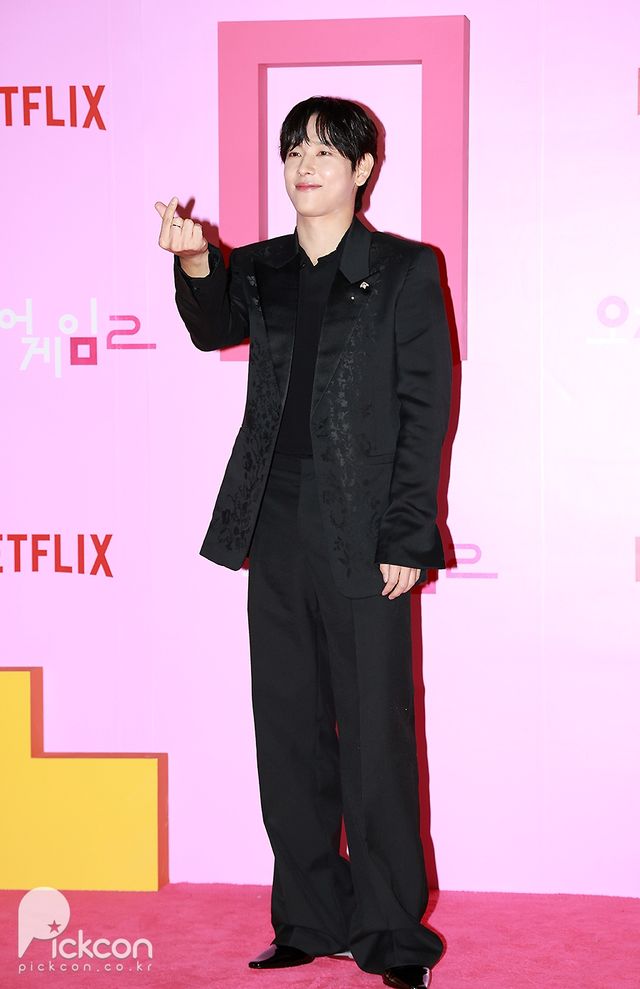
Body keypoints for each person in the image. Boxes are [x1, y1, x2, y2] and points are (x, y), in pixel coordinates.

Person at [155, 95, 452, 989]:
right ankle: (309, 917)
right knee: (287, 729)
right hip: (276, 522)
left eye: (326, 151)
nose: (306, 165)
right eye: (294, 151)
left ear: (363, 170)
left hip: (366, 529)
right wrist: (197, 261)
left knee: (375, 738)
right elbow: (213, 327)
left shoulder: (405, 269)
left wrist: (408, 532)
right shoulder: (264, 267)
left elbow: (426, 408)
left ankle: (392, 933)